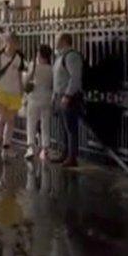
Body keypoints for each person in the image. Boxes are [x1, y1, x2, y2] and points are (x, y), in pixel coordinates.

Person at [0, 33, 26, 157]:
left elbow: (19, 75)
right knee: (2, 118)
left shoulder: (19, 57)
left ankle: (6, 146)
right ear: (6, 43)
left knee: (10, 121)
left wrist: (21, 90)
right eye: (10, 42)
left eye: (15, 43)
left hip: (14, 92)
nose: (13, 45)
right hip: (0, 90)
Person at [52, 33, 84, 167]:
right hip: (60, 95)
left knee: (70, 127)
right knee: (63, 127)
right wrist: (55, 96)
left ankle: (72, 157)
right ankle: (64, 152)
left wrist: (68, 95)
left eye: (57, 39)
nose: (55, 41)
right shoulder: (60, 57)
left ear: (64, 41)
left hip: (69, 97)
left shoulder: (71, 56)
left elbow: (75, 77)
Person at [23, 44, 54, 161]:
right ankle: (45, 149)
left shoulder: (34, 66)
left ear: (39, 54)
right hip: (47, 98)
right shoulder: (52, 68)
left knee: (31, 123)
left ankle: (31, 147)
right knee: (45, 124)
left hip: (34, 98)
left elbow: (26, 80)